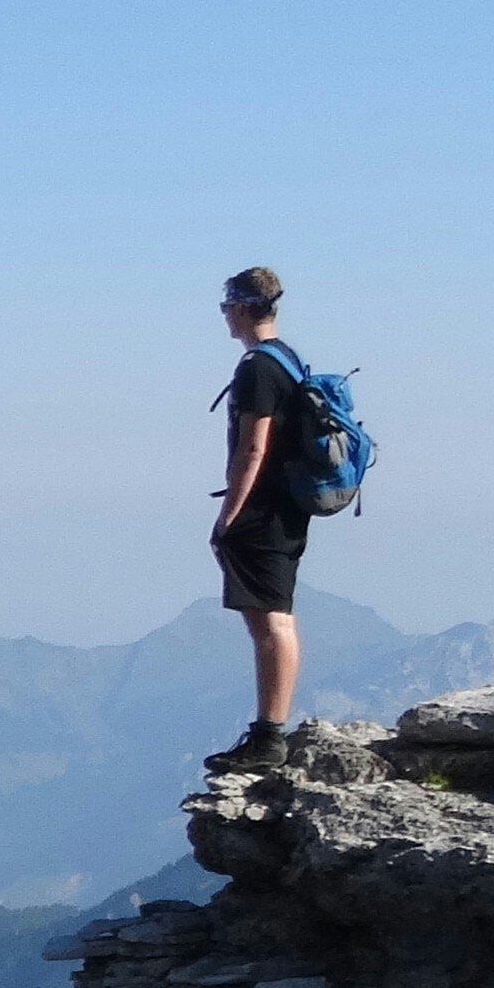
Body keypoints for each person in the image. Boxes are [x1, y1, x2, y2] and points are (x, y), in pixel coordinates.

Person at [202, 265, 319, 773]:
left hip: (262, 508)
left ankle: (270, 736)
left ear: (245, 307)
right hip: (289, 504)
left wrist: (229, 516)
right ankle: (269, 730)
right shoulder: (288, 359)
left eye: (227, 306)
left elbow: (253, 448)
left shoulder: (257, 369)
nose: (225, 316)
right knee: (276, 615)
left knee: (269, 620)